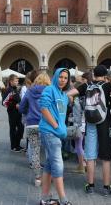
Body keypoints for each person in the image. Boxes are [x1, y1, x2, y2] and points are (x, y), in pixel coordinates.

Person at [68, 65, 111, 196]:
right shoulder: (108, 85)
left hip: (90, 122)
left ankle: (90, 186)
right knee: (106, 157)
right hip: (105, 122)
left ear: (93, 75)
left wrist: (73, 102)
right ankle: (106, 187)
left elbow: (69, 94)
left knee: (90, 156)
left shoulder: (87, 85)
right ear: (105, 75)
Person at [39, 68, 72, 205]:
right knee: (58, 165)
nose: (63, 80)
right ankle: (63, 200)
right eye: (60, 77)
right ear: (55, 77)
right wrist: (57, 127)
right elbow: (44, 108)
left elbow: (61, 115)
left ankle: (45, 199)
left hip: (57, 133)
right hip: (49, 132)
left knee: (49, 165)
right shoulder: (49, 90)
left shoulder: (63, 95)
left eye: (65, 77)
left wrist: (61, 129)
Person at [19, 72, 50, 187]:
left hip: (31, 124)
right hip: (46, 124)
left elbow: (22, 107)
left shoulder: (30, 90)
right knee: (48, 151)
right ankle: (48, 176)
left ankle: (38, 178)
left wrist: (29, 112)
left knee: (35, 152)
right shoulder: (50, 91)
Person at [3, 74, 24, 152]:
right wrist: (15, 105)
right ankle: (13, 146)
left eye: (17, 80)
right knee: (13, 129)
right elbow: (4, 102)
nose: (17, 82)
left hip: (18, 112)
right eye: (16, 80)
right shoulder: (9, 90)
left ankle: (17, 144)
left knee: (21, 128)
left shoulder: (15, 89)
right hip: (12, 112)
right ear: (11, 81)